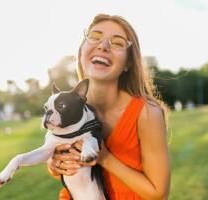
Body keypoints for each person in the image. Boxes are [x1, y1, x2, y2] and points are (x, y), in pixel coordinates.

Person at [48, 13, 171, 200]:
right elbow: (62, 164)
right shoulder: (68, 110)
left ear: (128, 63)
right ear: (81, 52)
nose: (103, 45)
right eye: (95, 37)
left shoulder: (146, 113)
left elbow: (158, 192)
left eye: (118, 43)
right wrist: (55, 164)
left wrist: (104, 158)